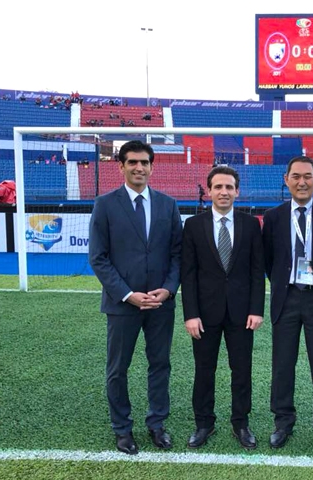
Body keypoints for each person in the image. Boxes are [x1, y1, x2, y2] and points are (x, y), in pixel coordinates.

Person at [89, 140, 182, 455]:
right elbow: (98, 258)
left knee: (160, 364)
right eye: (132, 162)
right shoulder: (105, 204)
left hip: (160, 303)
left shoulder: (168, 205)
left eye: (144, 162)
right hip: (122, 305)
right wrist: (128, 294)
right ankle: (122, 428)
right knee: (118, 369)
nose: (139, 167)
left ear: (152, 167)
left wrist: (168, 289)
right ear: (121, 166)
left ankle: (157, 424)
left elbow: (177, 254)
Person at [262, 156, 313, 452]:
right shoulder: (273, 216)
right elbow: (269, 259)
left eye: (307, 176)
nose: (302, 182)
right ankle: (283, 422)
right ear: (286, 180)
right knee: (283, 365)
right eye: (295, 176)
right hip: (286, 299)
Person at [181, 166, 265, 450]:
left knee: (241, 370)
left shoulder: (250, 225)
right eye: (218, 187)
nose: (224, 192)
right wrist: (191, 314)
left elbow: (257, 271)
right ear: (209, 191)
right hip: (205, 314)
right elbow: (188, 274)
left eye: (229, 187)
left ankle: (241, 423)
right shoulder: (194, 225)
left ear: (237, 191)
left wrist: (256, 309)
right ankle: (204, 423)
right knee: (204, 370)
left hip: (242, 313)